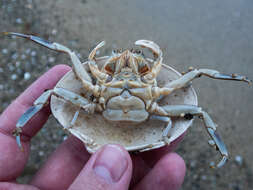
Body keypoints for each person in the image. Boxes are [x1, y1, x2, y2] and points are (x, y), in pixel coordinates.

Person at [0, 65, 186, 190]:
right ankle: (20, 126)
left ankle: (19, 127)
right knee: (53, 90)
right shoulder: (105, 89)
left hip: (140, 122)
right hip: (131, 122)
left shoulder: (103, 85)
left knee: (54, 88)